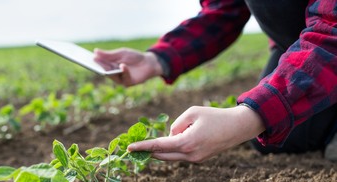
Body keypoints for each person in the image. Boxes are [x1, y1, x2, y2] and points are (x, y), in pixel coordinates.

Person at [94, 0, 337, 163]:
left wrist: (247, 117)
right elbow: (224, 10)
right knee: (283, 139)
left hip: (327, 42)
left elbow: (332, 32)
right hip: (298, 46)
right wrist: (157, 59)